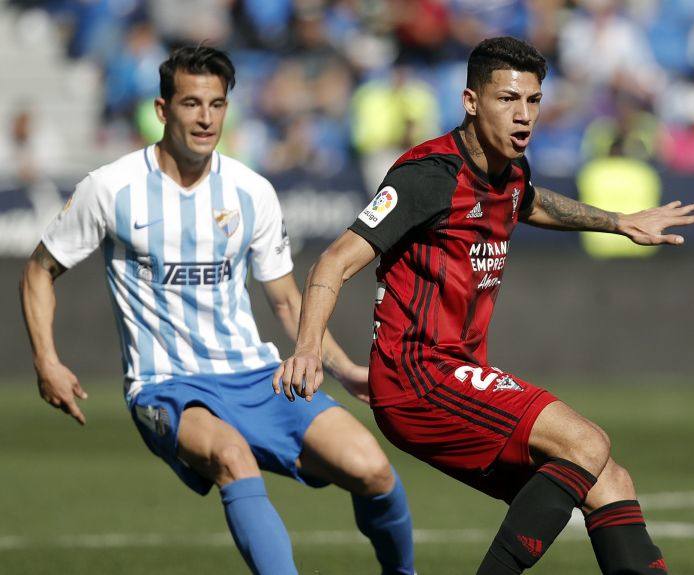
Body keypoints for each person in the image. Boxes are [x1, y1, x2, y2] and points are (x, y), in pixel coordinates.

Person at [277, 37, 694, 574]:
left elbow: (532, 202)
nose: (523, 116)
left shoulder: (511, 169)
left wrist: (618, 222)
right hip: (420, 377)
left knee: (609, 482)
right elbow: (331, 263)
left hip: (458, 374)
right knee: (586, 442)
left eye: (532, 101)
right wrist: (310, 352)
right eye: (507, 100)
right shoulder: (427, 175)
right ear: (471, 101)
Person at [19, 46, 415, 575]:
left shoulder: (252, 191)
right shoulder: (110, 189)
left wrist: (339, 368)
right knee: (233, 458)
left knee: (372, 470)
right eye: (191, 103)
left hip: (254, 374)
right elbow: (39, 269)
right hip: (165, 385)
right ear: (163, 111)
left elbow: (286, 298)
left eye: (217, 104)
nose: (205, 118)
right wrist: (46, 361)